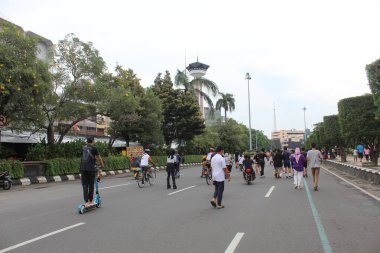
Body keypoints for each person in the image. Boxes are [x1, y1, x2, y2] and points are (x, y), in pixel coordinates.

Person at [80, 137, 104, 207]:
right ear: (93, 141)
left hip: (83, 168)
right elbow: (99, 157)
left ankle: (86, 201)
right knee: (91, 185)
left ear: (87, 141)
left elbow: (84, 157)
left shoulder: (83, 148)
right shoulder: (94, 148)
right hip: (91, 169)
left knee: (84, 185)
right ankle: (90, 201)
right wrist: (102, 164)